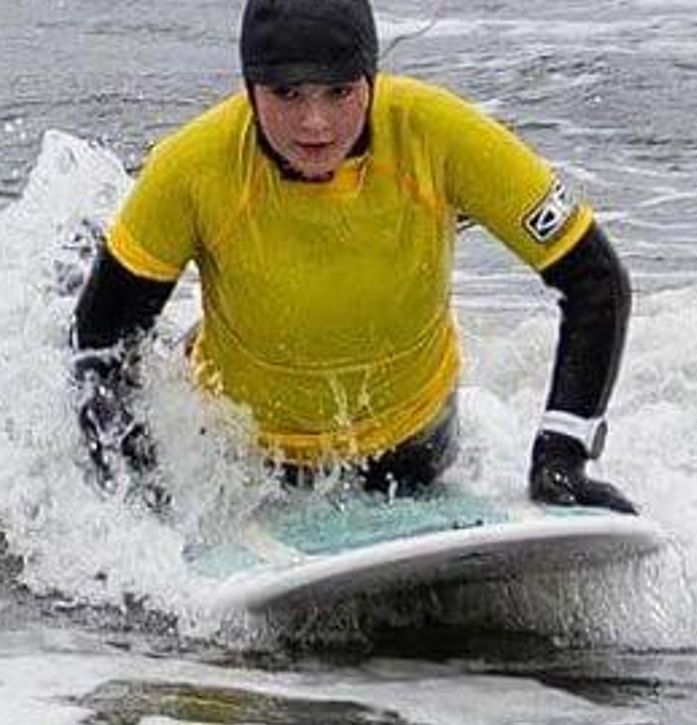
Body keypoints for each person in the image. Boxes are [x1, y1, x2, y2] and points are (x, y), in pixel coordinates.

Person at [72, 0, 636, 513]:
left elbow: (594, 279)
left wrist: (562, 454)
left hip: (413, 444)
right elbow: (101, 337)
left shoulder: (438, 134)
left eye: (339, 92)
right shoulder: (191, 167)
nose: (315, 123)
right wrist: (137, 497)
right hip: (238, 454)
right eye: (287, 94)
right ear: (250, 88)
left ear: (370, 79)